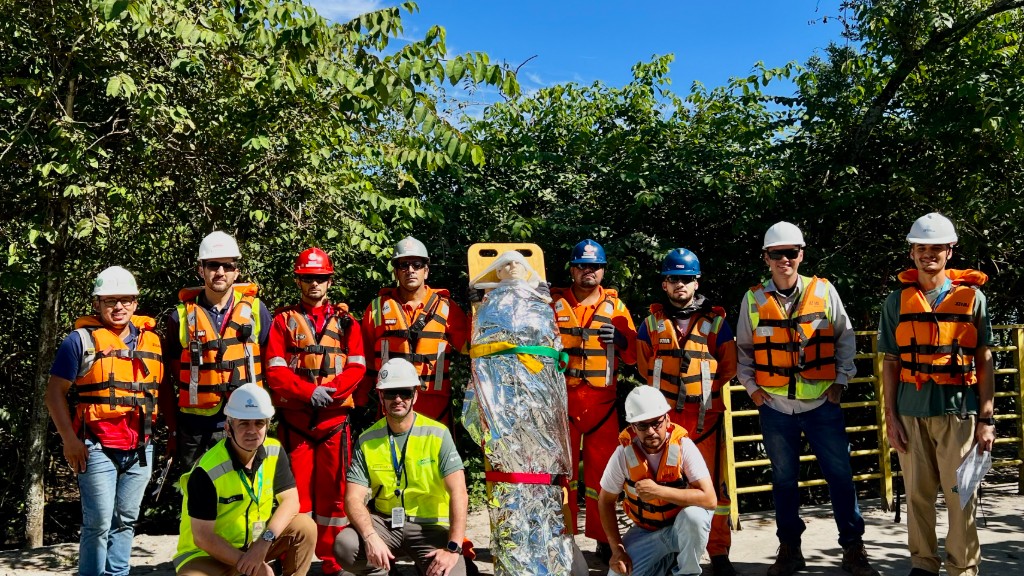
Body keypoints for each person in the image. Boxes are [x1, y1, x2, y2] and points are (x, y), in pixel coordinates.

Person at [735, 222, 878, 576]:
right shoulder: (753, 299)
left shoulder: (825, 291)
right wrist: (754, 390)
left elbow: (845, 337)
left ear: (801, 254)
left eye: (791, 252)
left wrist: (842, 381)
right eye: (776, 253)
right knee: (784, 481)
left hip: (821, 406)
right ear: (766, 258)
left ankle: (853, 548)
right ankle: (790, 549)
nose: (784, 259)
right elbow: (744, 351)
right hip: (776, 407)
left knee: (840, 476)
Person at [879, 213, 995, 576]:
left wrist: (988, 419)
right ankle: (923, 564)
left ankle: (962, 568)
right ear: (912, 253)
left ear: (950, 251)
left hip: (959, 412)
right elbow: (891, 362)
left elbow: (985, 358)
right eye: (921, 248)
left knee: (962, 497)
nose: (929, 254)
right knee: (917, 496)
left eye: (936, 248)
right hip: (910, 413)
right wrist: (891, 418)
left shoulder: (973, 299)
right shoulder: (896, 303)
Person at [45, 266, 162, 576]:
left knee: (126, 520)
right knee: (97, 523)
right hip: (96, 445)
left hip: (141, 446)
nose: (119, 307)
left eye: (125, 299)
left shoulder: (151, 340)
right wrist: (70, 440)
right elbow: (54, 394)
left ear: (136, 303)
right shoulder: (79, 341)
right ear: (97, 304)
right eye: (110, 300)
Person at [636, 248, 737, 576]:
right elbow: (642, 365)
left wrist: (701, 395)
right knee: (665, 485)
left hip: (705, 421)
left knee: (715, 489)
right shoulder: (650, 324)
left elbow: (729, 366)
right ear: (664, 284)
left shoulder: (717, 323)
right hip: (664, 425)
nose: (680, 284)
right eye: (673, 279)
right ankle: (669, 552)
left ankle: (718, 551)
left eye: (686, 279)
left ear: (697, 282)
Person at [265, 247, 366, 576]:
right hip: (296, 425)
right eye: (308, 278)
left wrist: (331, 393)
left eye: (320, 278)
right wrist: (310, 392)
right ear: (299, 280)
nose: (315, 284)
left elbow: (357, 367)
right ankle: (294, 560)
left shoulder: (347, 321)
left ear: (329, 280)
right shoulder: (282, 321)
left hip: (334, 424)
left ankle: (333, 561)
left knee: (335, 498)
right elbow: (275, 371)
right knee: (294, 498)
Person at [334, 358, 469, 576]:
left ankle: (445, 564)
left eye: (404, 393)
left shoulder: (438, 433)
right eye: (390, 393)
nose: (398, 399)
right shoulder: (368, 439)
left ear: (415, 395)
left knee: (451, 573)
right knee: (345, 546)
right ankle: (384, 571)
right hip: (385, 524)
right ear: (380, 396)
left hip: (430, 527)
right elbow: (352, 498)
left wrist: (453, 548)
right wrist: (370, 537)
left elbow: (459, 493)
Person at [549, 239, 637, 561]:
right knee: (563, 476)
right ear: (573, 269)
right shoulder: (552, 304)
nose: (590, 271)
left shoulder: (617, 308)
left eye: (595, 266)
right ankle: (564, 536)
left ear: (603, 270)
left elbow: (633, 355)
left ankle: (603, 538)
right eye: (583, 265)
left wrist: (625, 337)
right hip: (563, 404)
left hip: (603, 405)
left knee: (604, 478)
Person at [173, 383, 317, 576]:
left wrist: (264, 542)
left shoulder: (274, 450)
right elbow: (203, 537)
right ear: (228, 427)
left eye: (259, 423)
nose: (252, 430)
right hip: (206, 554)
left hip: (254, 544)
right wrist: (251, 564)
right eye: (244, 423)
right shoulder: (207, 471)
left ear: (267, 425)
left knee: (305, 527)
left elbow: (291, 502)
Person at [160, 231, 273, 470]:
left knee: (243, 490)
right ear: (201, 269)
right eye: (213, 265)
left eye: (227, 266)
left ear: (236, 271)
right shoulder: (179, 317)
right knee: (195, 493)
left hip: (245, 420)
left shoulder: (256, 310)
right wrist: (172, 427)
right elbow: (169, 373)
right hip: (195, 426)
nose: (220, 272)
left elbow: (269, 360)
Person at [597, 385, 716, 576]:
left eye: (656, 423)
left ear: (667, 419)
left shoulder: (684, 446)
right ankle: (667, 565)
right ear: (633, 427)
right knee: (618, 574)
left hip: (681, 530)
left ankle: (687, 573)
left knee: (695, 517)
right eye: (643, 426)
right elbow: (605, 501)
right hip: (647, 532)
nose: (651, 431)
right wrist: (617, 549)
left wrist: (659, 491)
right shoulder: (623, 454)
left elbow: (709, 499)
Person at [360, 236, 469, 428]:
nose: (410, 270)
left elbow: (469, 347)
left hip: (434, 406)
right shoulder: (377, 309)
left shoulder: (446, 307)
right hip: (393, 402)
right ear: (396, 272)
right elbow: (366, 358)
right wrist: (358, 401)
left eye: (417, 265)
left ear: (426, 271)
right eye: (403, 265)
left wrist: (480, 307)